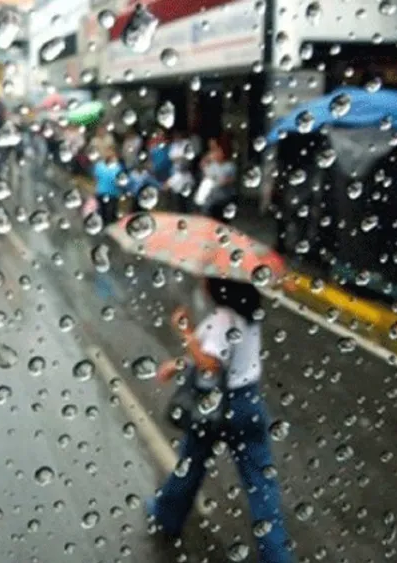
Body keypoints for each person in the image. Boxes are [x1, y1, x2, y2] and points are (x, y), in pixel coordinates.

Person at [147, 278, 292, 563]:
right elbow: (211, 354)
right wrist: (177, 364)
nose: (202, 281)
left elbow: (210, 364)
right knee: (261, 485)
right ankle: (277, 555)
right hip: (248, 404)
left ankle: (166, 517)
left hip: (217, 405)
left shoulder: (223, 319)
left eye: (208, 279)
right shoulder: (248, 313)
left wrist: (183, 330)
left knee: (190, 466)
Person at [194, 137, 237, 221]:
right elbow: (205, 171)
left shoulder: (230, 166)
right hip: (211, 198)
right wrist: (207, 159)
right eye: (215, 152)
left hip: (223, 197)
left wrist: (219, 181)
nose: (216, 154)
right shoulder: (213, 165)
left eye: (219, 152)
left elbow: (229, 180)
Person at [165, 129, 196, 212]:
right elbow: (172, 158)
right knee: (174, 192)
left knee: (187, 197)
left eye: (178, 134)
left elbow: (189, 157)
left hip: (186, 172)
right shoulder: (173, 145)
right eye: (175, 135)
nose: (176, 136)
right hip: (176, 173)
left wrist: (180, 158)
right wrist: (180, 157)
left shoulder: (187, 143)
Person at [93, 147, 123, 224]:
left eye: (112, 154)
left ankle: (108, 224)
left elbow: (120, 182)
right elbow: (96, 179)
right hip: (101, 193)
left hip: (113, 194)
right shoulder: (99, 166)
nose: (110, 155)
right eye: (108, 153)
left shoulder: (118, 167)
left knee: (110, 214)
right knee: (102, 212)